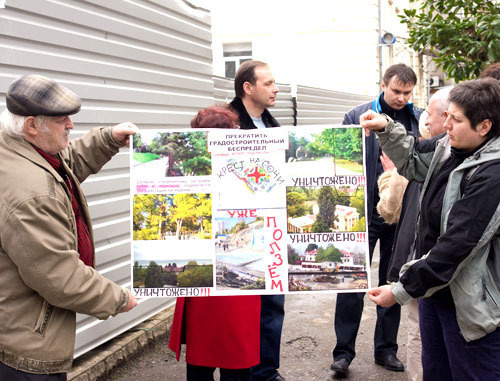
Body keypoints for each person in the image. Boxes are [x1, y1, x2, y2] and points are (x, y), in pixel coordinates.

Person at [0, 74, 138, 379]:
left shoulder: (20, 149)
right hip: (26, 350)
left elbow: (66, 164)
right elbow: (59, 276)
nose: (71, 126)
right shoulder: (30, 192)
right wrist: (119, 299)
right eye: (62, 119)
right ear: (32, 125)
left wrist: (108, 138)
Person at [366, 78, 500, 381]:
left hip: (470, 306)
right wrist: (385, 127)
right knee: (436, 372)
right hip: (434, 293)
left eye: (456, 119)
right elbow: (413, 158)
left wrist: (400, 290)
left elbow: (457, 244)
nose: (445, 124)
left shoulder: (493, 173)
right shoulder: (450, 148)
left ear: (485, 126)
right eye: (447, 115)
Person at [331, 63, 423, 376]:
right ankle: (343, 353)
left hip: (400, 214)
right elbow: (341, 163)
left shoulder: (418, 117)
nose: (401, 98)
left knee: (393, 282)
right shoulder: (355, 116)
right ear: (382, 85)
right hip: (362, 213)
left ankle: (386, 350)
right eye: (396, 91)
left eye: (407, 93)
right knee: (350, 283)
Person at [168, 105, 261, 381]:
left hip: (204, 288)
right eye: (233, 129)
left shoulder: (188, 175)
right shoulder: (244, 171)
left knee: (202, 362)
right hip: (228, 294)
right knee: (236, 361)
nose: (239, 132)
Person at [379, 87, 451, 381]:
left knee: (420, 335)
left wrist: (388, 175)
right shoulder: (463, 157)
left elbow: (389, 210)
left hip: (419, 263)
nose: (428, 122)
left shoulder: (422, 156)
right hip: (444, 273)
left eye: (430, 116)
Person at [229, 60, 285, 381]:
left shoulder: (273, 126)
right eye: (269, 83)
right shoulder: (225, 123)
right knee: (242, 308)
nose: (276, 89)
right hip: (241, 228)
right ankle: (242, 368)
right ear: (248, 88)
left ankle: (266, 370)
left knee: (273, 305)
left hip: (273, 228)